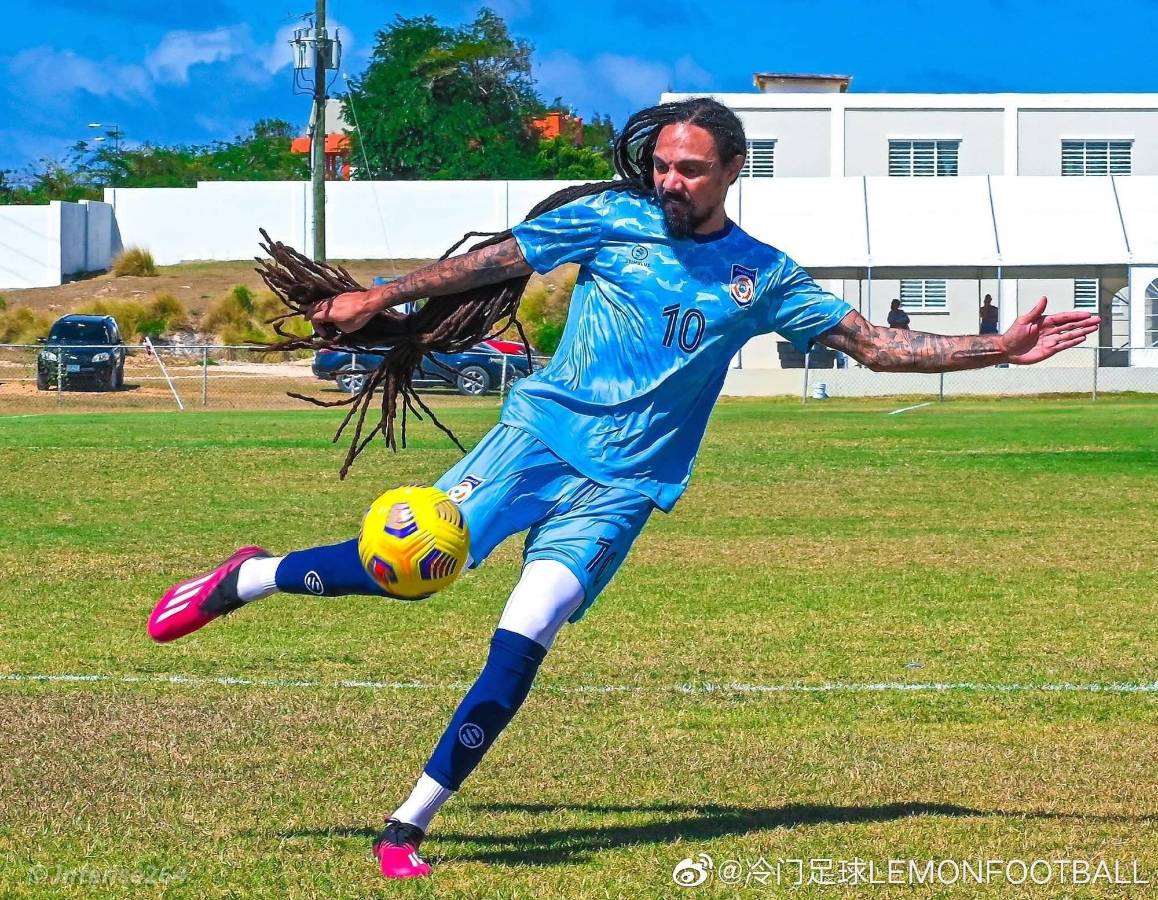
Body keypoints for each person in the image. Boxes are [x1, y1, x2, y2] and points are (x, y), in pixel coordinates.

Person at [146, 98, 1100, 880]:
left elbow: (879, 345)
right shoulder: (611, 219)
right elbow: (491, 262)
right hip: (536, 440)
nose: (671, 180)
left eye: (692, 169)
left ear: (733, 172)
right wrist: (378, 296)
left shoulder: (762, 276)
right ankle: (250, 577)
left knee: (526, 632)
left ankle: (408, 824)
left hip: (627, 484)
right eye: (664, 165)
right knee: (413, 571)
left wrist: (997, 347)